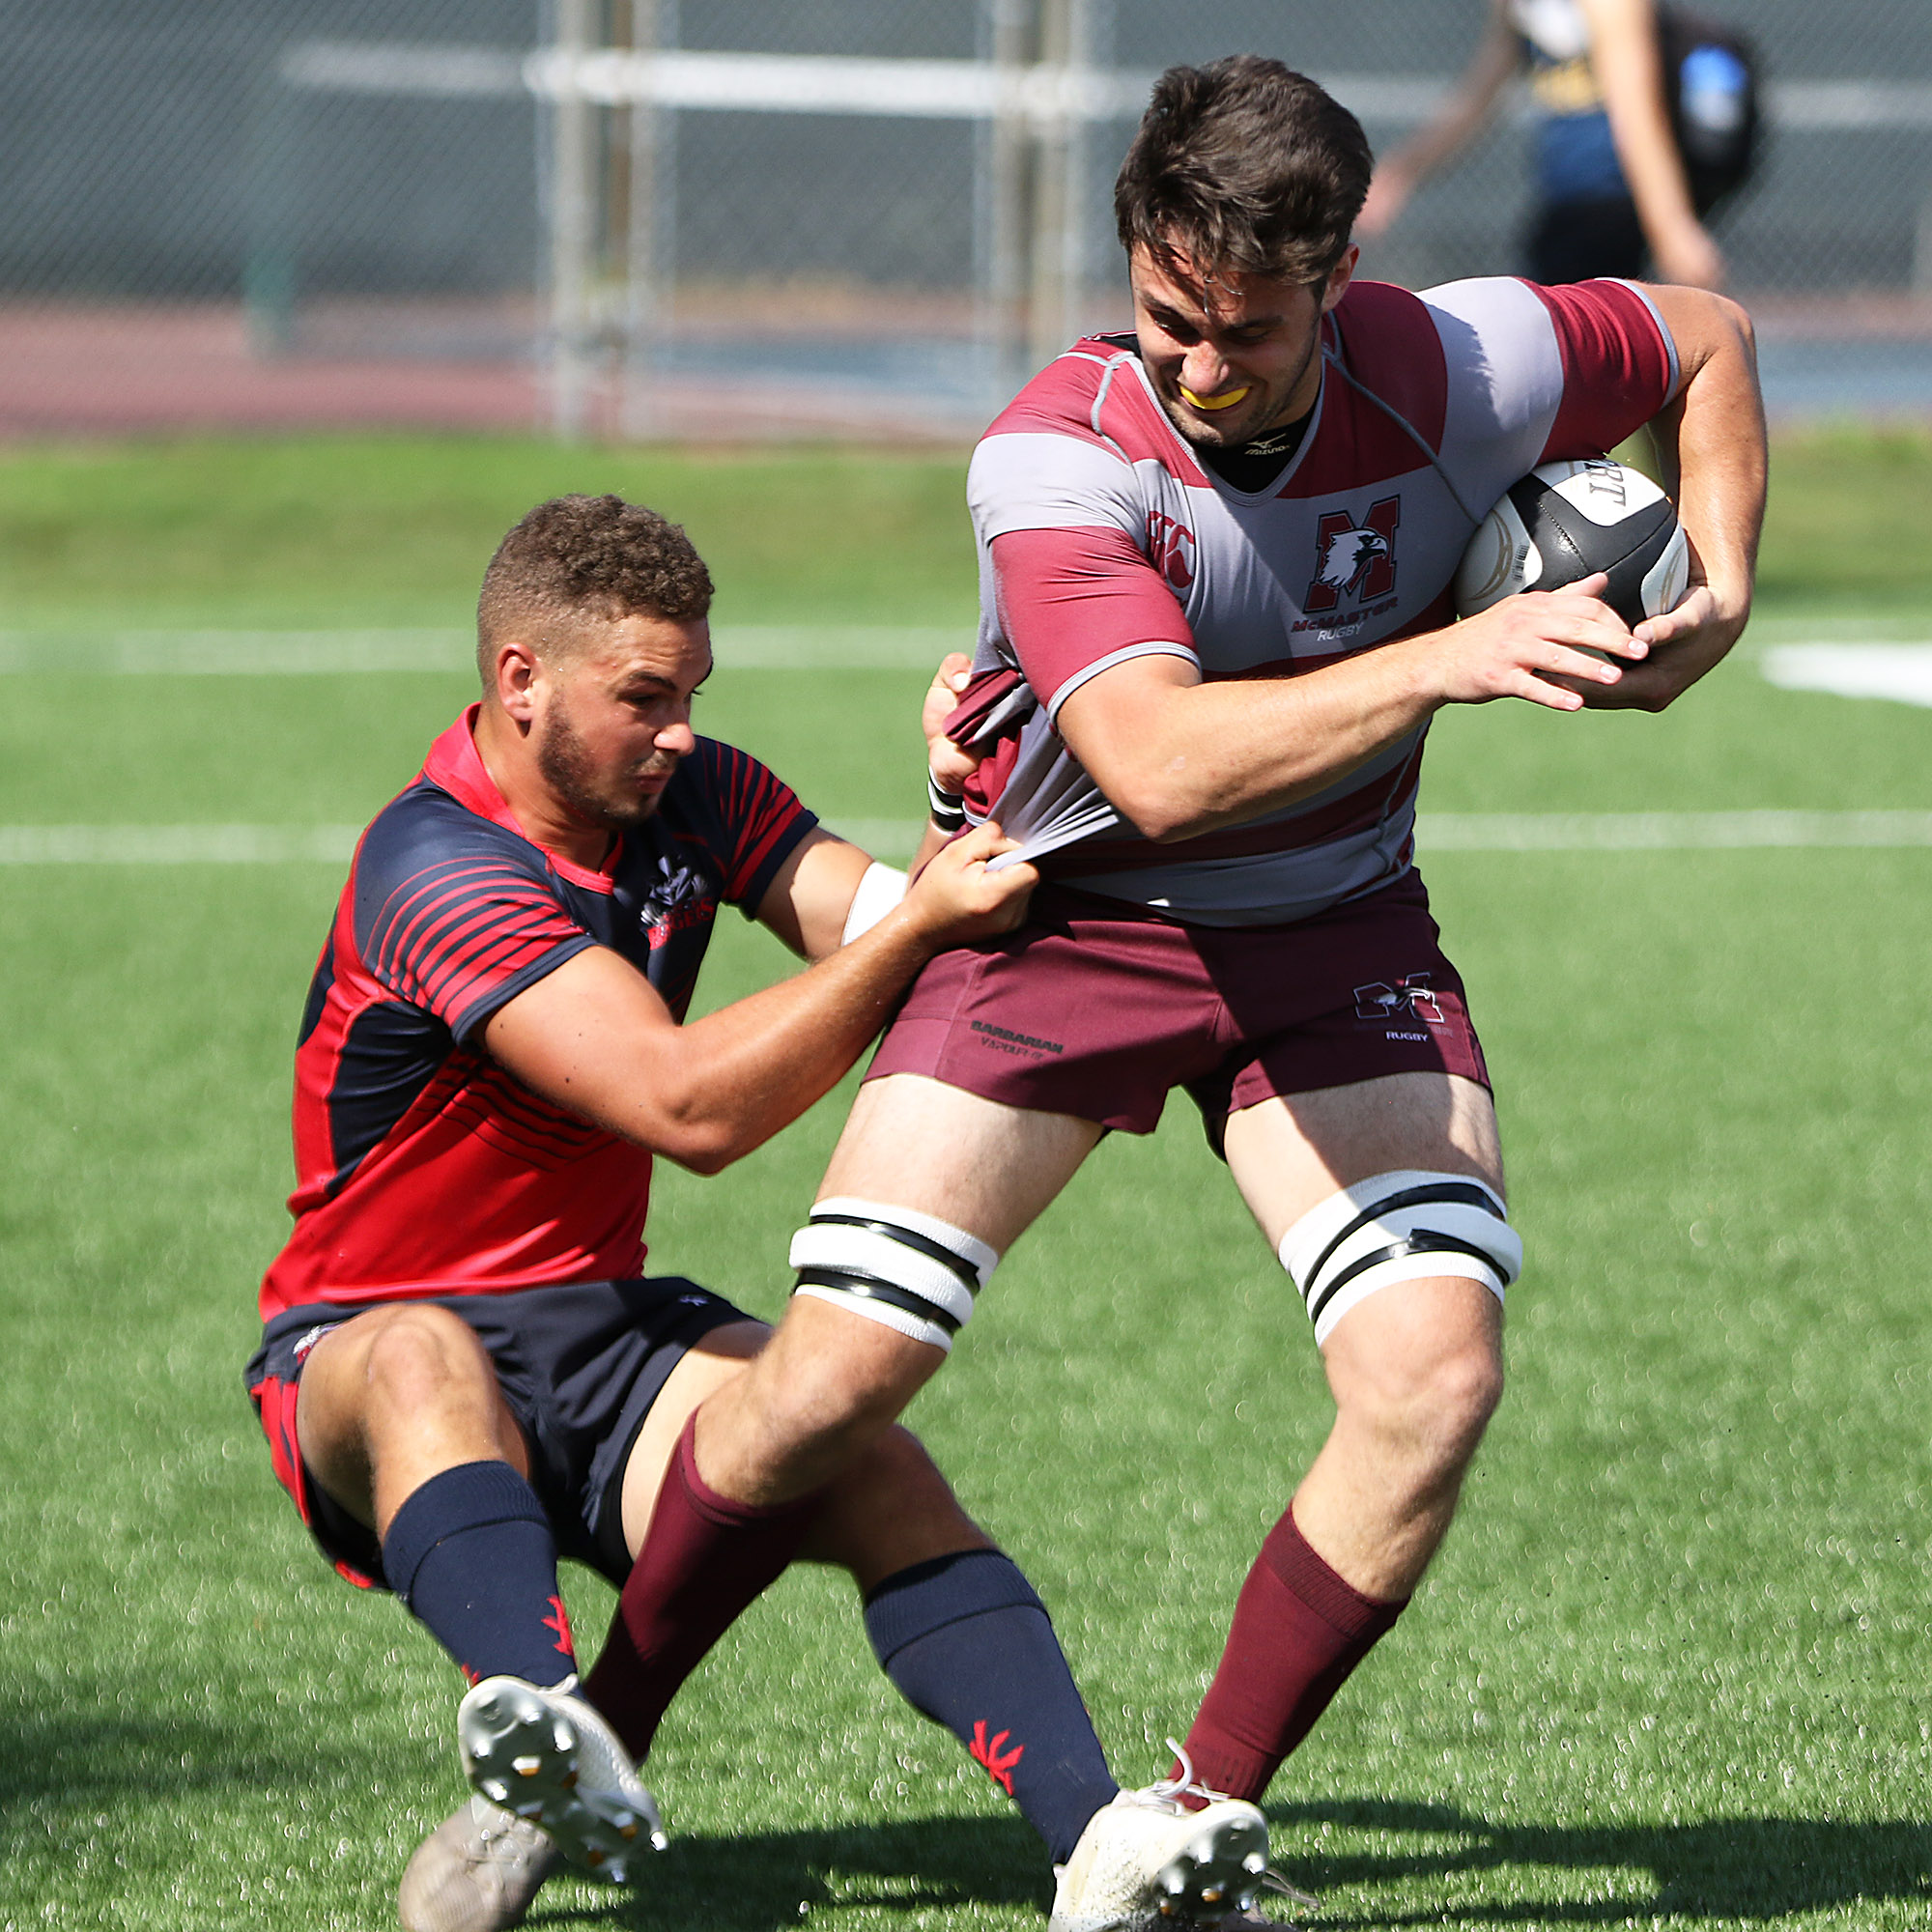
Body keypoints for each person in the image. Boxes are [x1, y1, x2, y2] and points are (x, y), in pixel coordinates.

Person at [590, 49, 1767, 1884]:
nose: (1202, 369)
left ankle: (1184, 1825)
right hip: (1065, 916)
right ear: (1134, 253)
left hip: (1335, 927)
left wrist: (1725, 587)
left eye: (1252, 334)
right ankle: (607, 1734)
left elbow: (1702, 336)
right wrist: (1444, 661)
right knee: (834, 1375)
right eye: (1166, 320)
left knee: (1436, 1377)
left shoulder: (1460, 360)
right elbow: (1155, 767)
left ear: (1339, 281)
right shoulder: (1054, 454)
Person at [243, 495, 1273, 1932]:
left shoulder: (695, 796)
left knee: (866, 1457)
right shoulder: (437, 870)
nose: (677, 731)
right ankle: (536, 1723)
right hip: (358, 1351)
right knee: (427, 1358)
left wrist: (966, 812)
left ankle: (1100, 1853)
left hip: (597, 1337)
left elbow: (887, 926)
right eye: (643, 698)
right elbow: (689, 1109)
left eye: (692, 696)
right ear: (520, 682)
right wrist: (919, 925)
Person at [1357, 0, 1735, 288]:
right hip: (1567, 203)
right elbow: (1478, 97)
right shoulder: (1520, 7)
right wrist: (1403, 169)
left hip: (1618, 204)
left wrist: (1671, 229)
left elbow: (1637, 111)